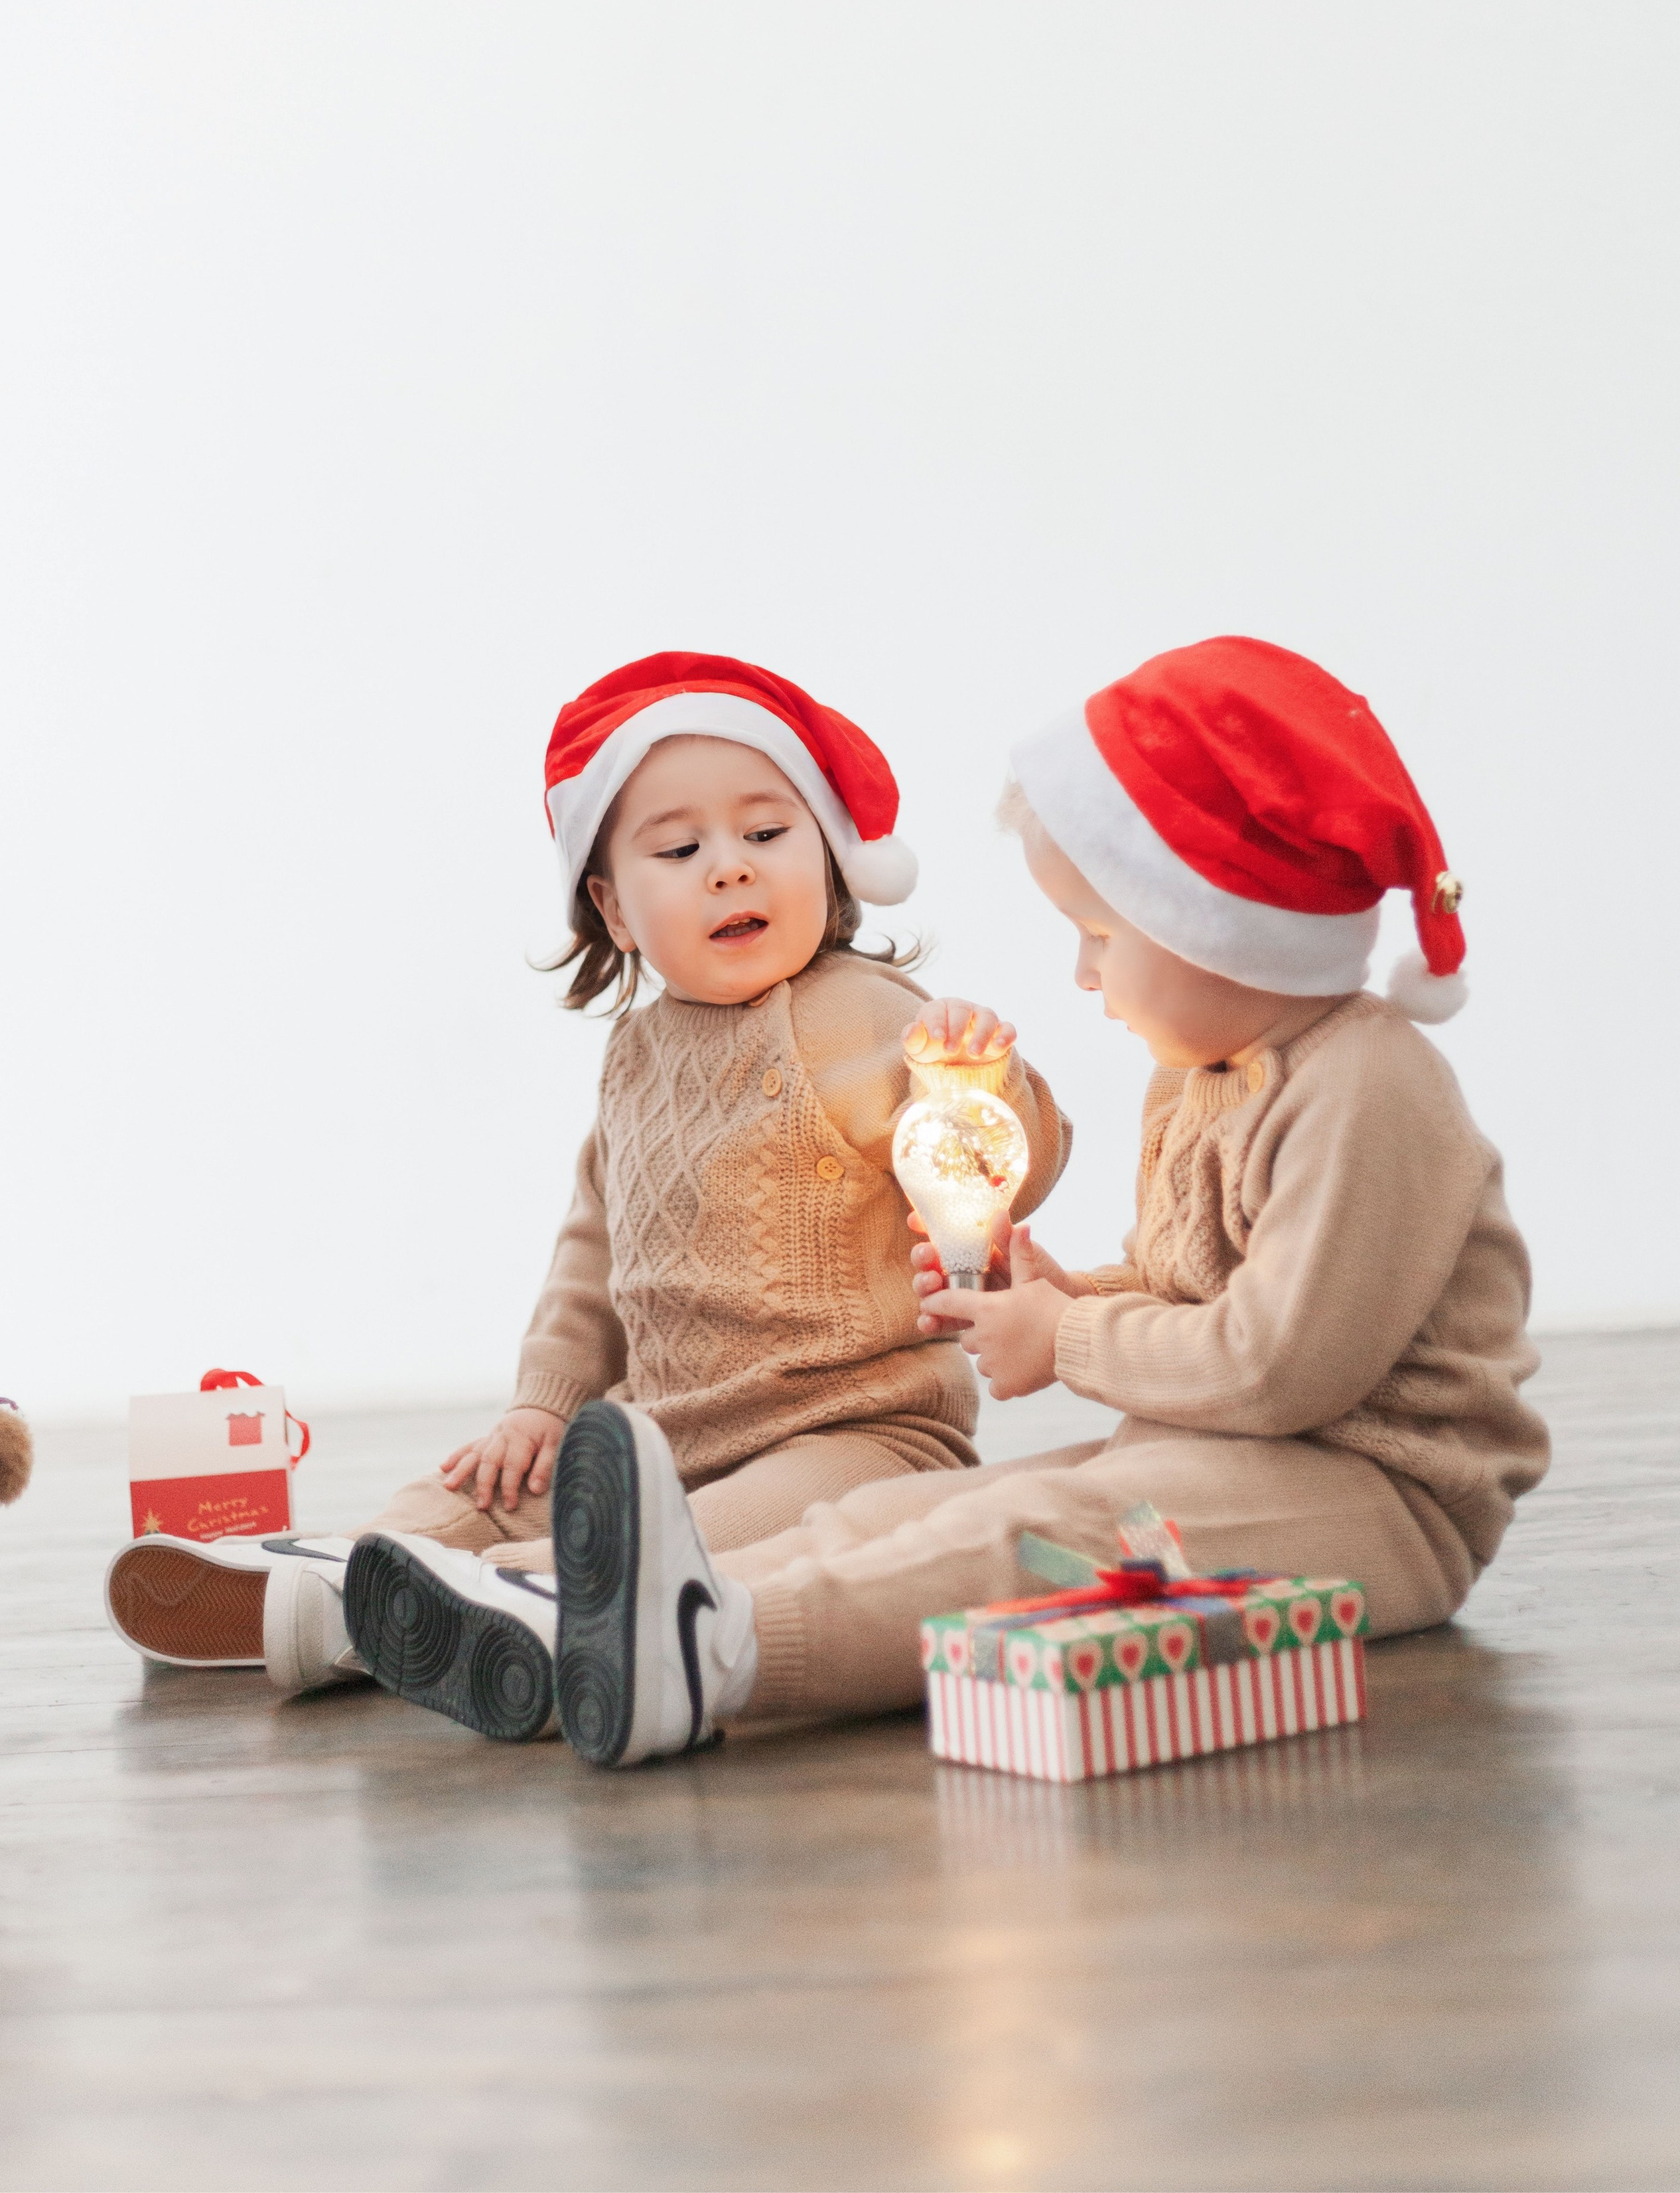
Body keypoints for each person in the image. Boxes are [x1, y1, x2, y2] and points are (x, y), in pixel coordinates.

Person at [539, 635, 1553, 1768]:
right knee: (910, 1515)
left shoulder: (1369, 1086)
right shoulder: (1203, 1075)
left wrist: (1065, 1334)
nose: (1083, 972)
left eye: (1103, 936)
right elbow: (1189, 1292)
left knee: (1028, 1532)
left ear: (1221, 924)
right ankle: (596, 1614)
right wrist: (1067, 1292)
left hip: (1384, 1498)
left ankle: (717, 1651)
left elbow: (1279, 1367)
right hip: (1229, 1449)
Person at [104, 654, 1070, 1736]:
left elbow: (1007, 1162)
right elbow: (592, 1253)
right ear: (612, 906)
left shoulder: (865, 1011)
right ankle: (346, 1578)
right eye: (680, 849)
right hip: (654, 1432)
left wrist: (981, 1083)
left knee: (693, 1536)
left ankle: (504, 1600)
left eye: (766, 833)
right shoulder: (637, 1057)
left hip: (849, 1434)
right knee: (475, 1488)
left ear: (834, 859)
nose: (730, 869)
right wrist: (543, 1406)